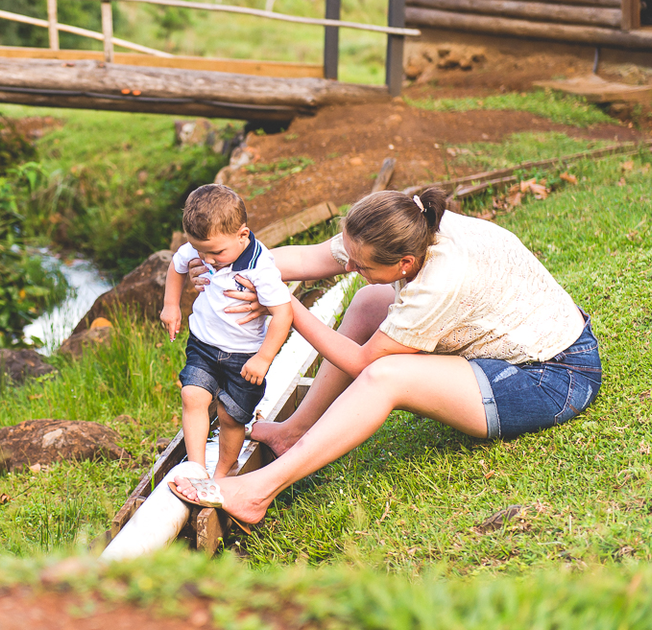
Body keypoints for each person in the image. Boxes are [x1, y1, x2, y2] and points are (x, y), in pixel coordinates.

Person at [168, 187, 602, 528]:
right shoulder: (405, 223)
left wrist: (285, 305)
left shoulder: (440, 280)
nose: (351, 269)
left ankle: (257, 492)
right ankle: (292, 433)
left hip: (551, 376)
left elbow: (363, 363)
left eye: (360, 265)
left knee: (386, 375)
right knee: (367, 302)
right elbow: (309, 258)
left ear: (405, 263)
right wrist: (235, 269)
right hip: (520, 346)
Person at [160, 184, 294, 478]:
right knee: (192, 396)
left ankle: (225, 469)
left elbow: (283, 313)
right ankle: (196, 466)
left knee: (230, 416)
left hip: (244, 356)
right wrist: (171, 305)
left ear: (242, 235)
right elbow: (177, 265)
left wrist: (264, 358)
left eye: (216, 252)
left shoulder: (260, 266)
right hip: (203, 345)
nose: (207, 260)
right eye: (200, 251)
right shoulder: (204, 247)